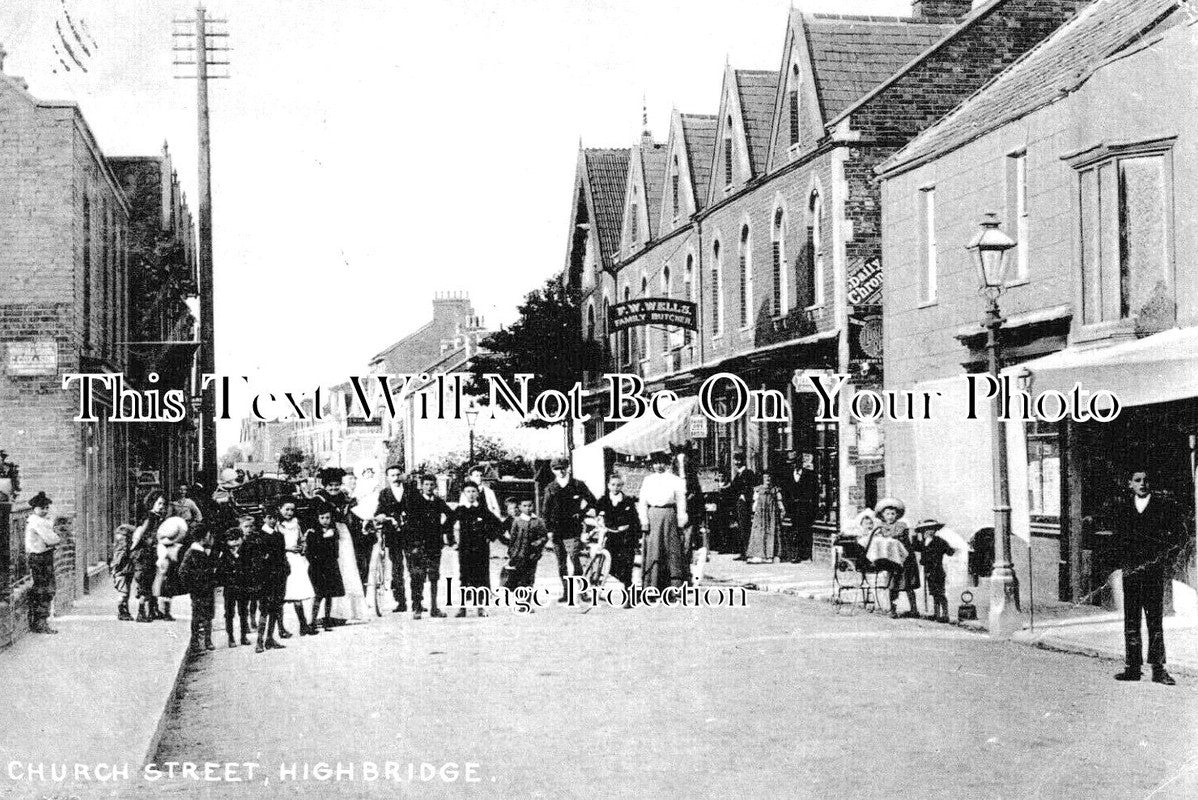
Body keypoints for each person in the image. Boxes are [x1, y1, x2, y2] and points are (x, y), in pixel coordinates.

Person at [1096, 467, 1188, 685]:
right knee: (1131, 620)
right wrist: (1120, 564)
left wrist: (1165, 559)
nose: (1142, 483)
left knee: (1155, 621)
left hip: (1153, 573)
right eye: (1137, 480)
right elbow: (1117, 539)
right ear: (1130, 484)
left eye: (1146, 480)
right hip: (1131, 572)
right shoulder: (1124, 508)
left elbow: (1177, 536)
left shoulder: (1162, 507)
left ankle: (1158, 669)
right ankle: (1133, 667)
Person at [542, 457, 595, 601]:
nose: (561, 471)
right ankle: (566, 592)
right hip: (557, 529)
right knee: (561, 562)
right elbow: (545, 511)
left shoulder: (578, 484)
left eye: (563, 467)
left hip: (573, 528)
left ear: (568, 467)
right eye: (557, 469)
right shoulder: (550, 488)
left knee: (574, 558)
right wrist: (549, 530)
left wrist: (582, 513)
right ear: (553, 470)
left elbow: (592, 501)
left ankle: (583, 591)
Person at [637, 451, 689, 590]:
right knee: (654, 550)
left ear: (667, 464)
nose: (659, 466)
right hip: (653, 516)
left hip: (670, 515)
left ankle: (673, 587)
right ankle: (652, 586)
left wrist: (680, 521)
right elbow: (642, 502)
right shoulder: (648, 480)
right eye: (656, 463)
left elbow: (681, 501)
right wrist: (644, 520)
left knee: (671, 550)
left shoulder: (675, 480)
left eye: (662, 463)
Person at [404, 474, 453, 619]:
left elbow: (451, 515)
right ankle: (417, 607)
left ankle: (434, 608)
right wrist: (412, 542)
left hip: (434, 544)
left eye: (432, 485)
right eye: (426, 484)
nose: (429, 487)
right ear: (421, 486)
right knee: (417, 575)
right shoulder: (414, 501)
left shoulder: (438, 501)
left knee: (434, 576)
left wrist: (443, 529)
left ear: (435, 486)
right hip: (418, 544)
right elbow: (409, 523)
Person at [453, 483, 504, 617]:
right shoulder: (460, 510)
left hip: (481, 549)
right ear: (464, 493)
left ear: (477, 493)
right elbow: (447, 526)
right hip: (465, 549)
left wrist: (490, 536)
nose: (471, 494)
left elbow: (499, 525)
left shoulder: (483, 510)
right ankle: (463, 607)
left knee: (481, 576)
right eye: (468, 491)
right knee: (464, 576)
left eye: (473, 491)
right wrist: (452, 542)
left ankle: (481, 607)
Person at [247, 508, 288, 652]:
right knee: (264, 609)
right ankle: (259, 641)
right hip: (264, 577)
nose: (273, 521)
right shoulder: (257, 536)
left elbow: (282, 556)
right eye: (270, 517)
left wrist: (284, 572)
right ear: (264, 518)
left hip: (278, 576)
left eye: (275, 518)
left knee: (275, 608)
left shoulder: (279, 536)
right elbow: (254, 559)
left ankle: (270, 639)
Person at [593, 472, 641, 593]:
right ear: (608, 485)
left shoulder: (627, 501)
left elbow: (634, 520)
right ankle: (624, 581)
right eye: (613, 484)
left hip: (626, 538)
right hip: (610, 537)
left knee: (627, 564)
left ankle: (629, 592)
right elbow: (597, 516)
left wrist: (636, 537)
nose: (616, 487)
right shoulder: (603, 500)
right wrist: (599, 521)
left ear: (622, 486)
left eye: (619, 485)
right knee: (611, 565)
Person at [875, 497, 920, 619]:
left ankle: (914, 609)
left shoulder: (901, 526)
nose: (890, 516)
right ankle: (892, 609)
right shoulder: (881, 527)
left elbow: (896, 536)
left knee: (908, 584)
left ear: (897, 515)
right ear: (883, 515)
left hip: (905, 559)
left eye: (893, 514)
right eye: (887, 514)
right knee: (893, 585)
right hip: (893, 561)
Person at [279, 500, 318, 636]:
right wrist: (287, 548)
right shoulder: (278, 525)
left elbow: (301, 539)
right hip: (284, 559)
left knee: (298, 594)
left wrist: (302, 547)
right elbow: (274, 543)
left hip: (297, 559)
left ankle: (303, 624)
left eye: (292, 510)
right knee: (283, 594)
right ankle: (281, 627)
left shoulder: (297, 523)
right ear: (280, 509)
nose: (289, 513)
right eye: (286, 509)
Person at [375, 465, 411, 613]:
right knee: (397, 568)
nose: (396, 478)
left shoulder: (411, 491)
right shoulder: (384, 494)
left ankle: (417, 601)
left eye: (398, 475)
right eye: (392, 476)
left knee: (414, 567)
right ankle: (401, 601)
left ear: (402, 475)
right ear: (388, 477)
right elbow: (379, 511)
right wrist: (381, 516)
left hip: (410, 534)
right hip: (393, 535)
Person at [24, 492, 61, 634]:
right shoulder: (36, 521)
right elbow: (52, 539)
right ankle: (40, 622)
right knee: (44, 589)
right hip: (40, 557)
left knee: (45, 588)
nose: (45, 510)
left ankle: (40, 620)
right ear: (34, 508)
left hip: (42, 556)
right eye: (42, 508)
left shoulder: (39, 520)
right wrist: (55, 539)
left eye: (46, 507)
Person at [179, 527, 220, 653]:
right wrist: (194, 585)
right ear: (203, 538)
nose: (210, 538)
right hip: (198, 590)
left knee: (208, 615)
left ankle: (207, 640)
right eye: (208, 535)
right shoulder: (192, 552)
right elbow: (183, 572)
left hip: (206, 589)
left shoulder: (202, 551)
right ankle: (195, 641)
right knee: (197, 616)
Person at [131, 491, 168, 622]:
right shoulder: (149, 517)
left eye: (163, 504)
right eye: (159, 503)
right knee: (145, 582)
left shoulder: (158, 517)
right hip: (146, 553)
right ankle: (141, 612)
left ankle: (152, 610)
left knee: (153, 581)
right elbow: (142, 532)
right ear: (152, 503)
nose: (161, 506)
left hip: (153, 553)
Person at [218, 519, 256, 647]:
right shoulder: (224, 554)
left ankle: (243, 636)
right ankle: (231, 637)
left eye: (237, 538)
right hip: (229, 588)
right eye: (231, 539)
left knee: (243, 612)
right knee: (229, 613)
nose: (234, 542)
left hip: (243, 586)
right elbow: (220, 571)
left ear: (242, 539)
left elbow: (250, 568)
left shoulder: (247, 551)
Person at [308, 507, 346, 629]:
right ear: (318, 518)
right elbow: (311, 550)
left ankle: (327, 619)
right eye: (322, 518)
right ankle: (313, 620)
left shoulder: (334, 531)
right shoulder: (313, 532)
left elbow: (336, 549)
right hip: (318, 566)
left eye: (327, 518)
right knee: (318, 595)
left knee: (329, 595)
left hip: (330, 565)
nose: (325, 520)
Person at [331, 502, 369, 623]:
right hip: (329, 533)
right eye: (330, 485)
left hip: (343, 533)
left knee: (347, 569)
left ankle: (347, 612)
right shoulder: (320, 499)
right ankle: (330, 614)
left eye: (336, 484)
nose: (333, 487)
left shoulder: (346, 500)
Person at [914, 518, 955, 623]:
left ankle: (945, 614)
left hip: (938, 570)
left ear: (935, 530)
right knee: (933, 593)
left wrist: (949, 549)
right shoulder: (923, 542)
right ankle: (937, 614)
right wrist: (916, 535)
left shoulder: (939, 541)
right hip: (928, 572)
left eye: (932, 529)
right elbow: (915, 547)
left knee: (940, 593)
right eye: (926, 529)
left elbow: (950, 551)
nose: (929, 531)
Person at [503, 498, 548, 592]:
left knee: (529, 579)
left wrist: (539, 542)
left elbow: (544, 537)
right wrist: (511, 553)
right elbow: (513, 539)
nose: (528, 508)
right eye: (525, 506)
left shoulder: (538, 521)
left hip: (532, 555)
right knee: (518, 578)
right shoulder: (517, 521)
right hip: (518, 555)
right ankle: (519, 601)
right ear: (519, 507)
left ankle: (526, 602)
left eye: (530, 505)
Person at [785, 454, 819, 563]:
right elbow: (786, 492)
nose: (794, 465)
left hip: (805, 508)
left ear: (800, 463)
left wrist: (812, 507)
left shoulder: (809, 474)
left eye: (795, 462)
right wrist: (788, 507)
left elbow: (815, 492)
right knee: (795, 531)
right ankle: (796, 555)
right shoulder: (790, 475)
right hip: (793, 509)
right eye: (792, 463)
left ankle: (805, 555)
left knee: (804, 531)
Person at [746, 472, 785, 564]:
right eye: (766, 477)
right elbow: (755, 503)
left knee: (772, 532)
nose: (768, 479)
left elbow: (779, 502)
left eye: (769, 477)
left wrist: (782, 509)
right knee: (759, 532)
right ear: (763, 479)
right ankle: (759, 555)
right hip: (761, 514)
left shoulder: (775, 490)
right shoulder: (758, 490)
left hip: (772, 514)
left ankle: (771, 555)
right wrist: (754, 512)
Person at [728, 453, 758, 557]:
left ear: (743, 461)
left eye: (738, 460)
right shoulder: (738, 474)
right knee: (740, 527)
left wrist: (744, 496)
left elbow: (751, 486)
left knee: (745, 527)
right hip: (738, 503)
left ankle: (747, 551)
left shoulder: (748, 473)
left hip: (745, 504)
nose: (736, 463)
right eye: (735, 460)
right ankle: (743, 551)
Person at [111, 524, 136, 621]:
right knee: (123, 592)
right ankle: (122, 612)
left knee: (125, 591)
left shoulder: (121, 550)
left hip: (124, 570)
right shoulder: (121, 551)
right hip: (121, 572)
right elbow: (118, 562)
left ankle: (124, 611)